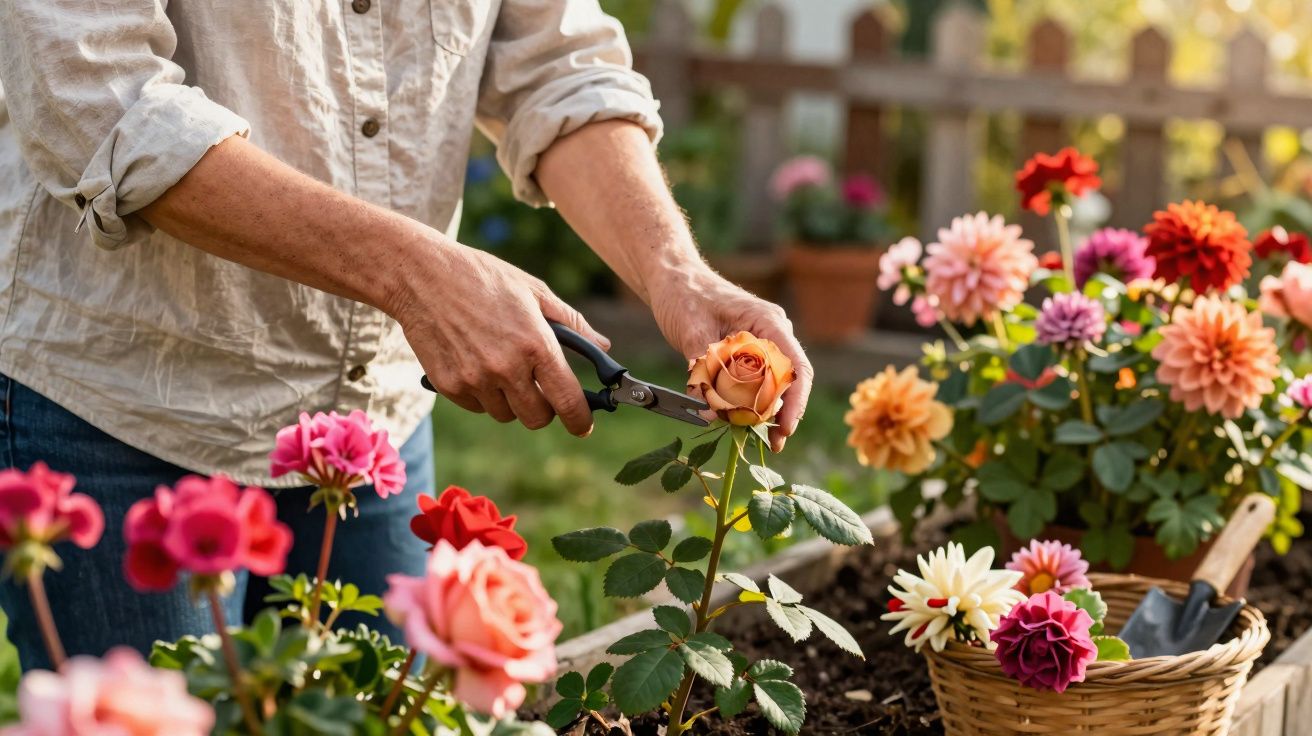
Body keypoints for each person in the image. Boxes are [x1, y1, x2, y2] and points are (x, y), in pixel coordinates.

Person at [0, 0, 812, 669]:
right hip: (123, 407)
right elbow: (102, 96)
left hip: (368, 417)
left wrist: (679, 274)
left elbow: (556, 63)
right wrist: (419, 276)